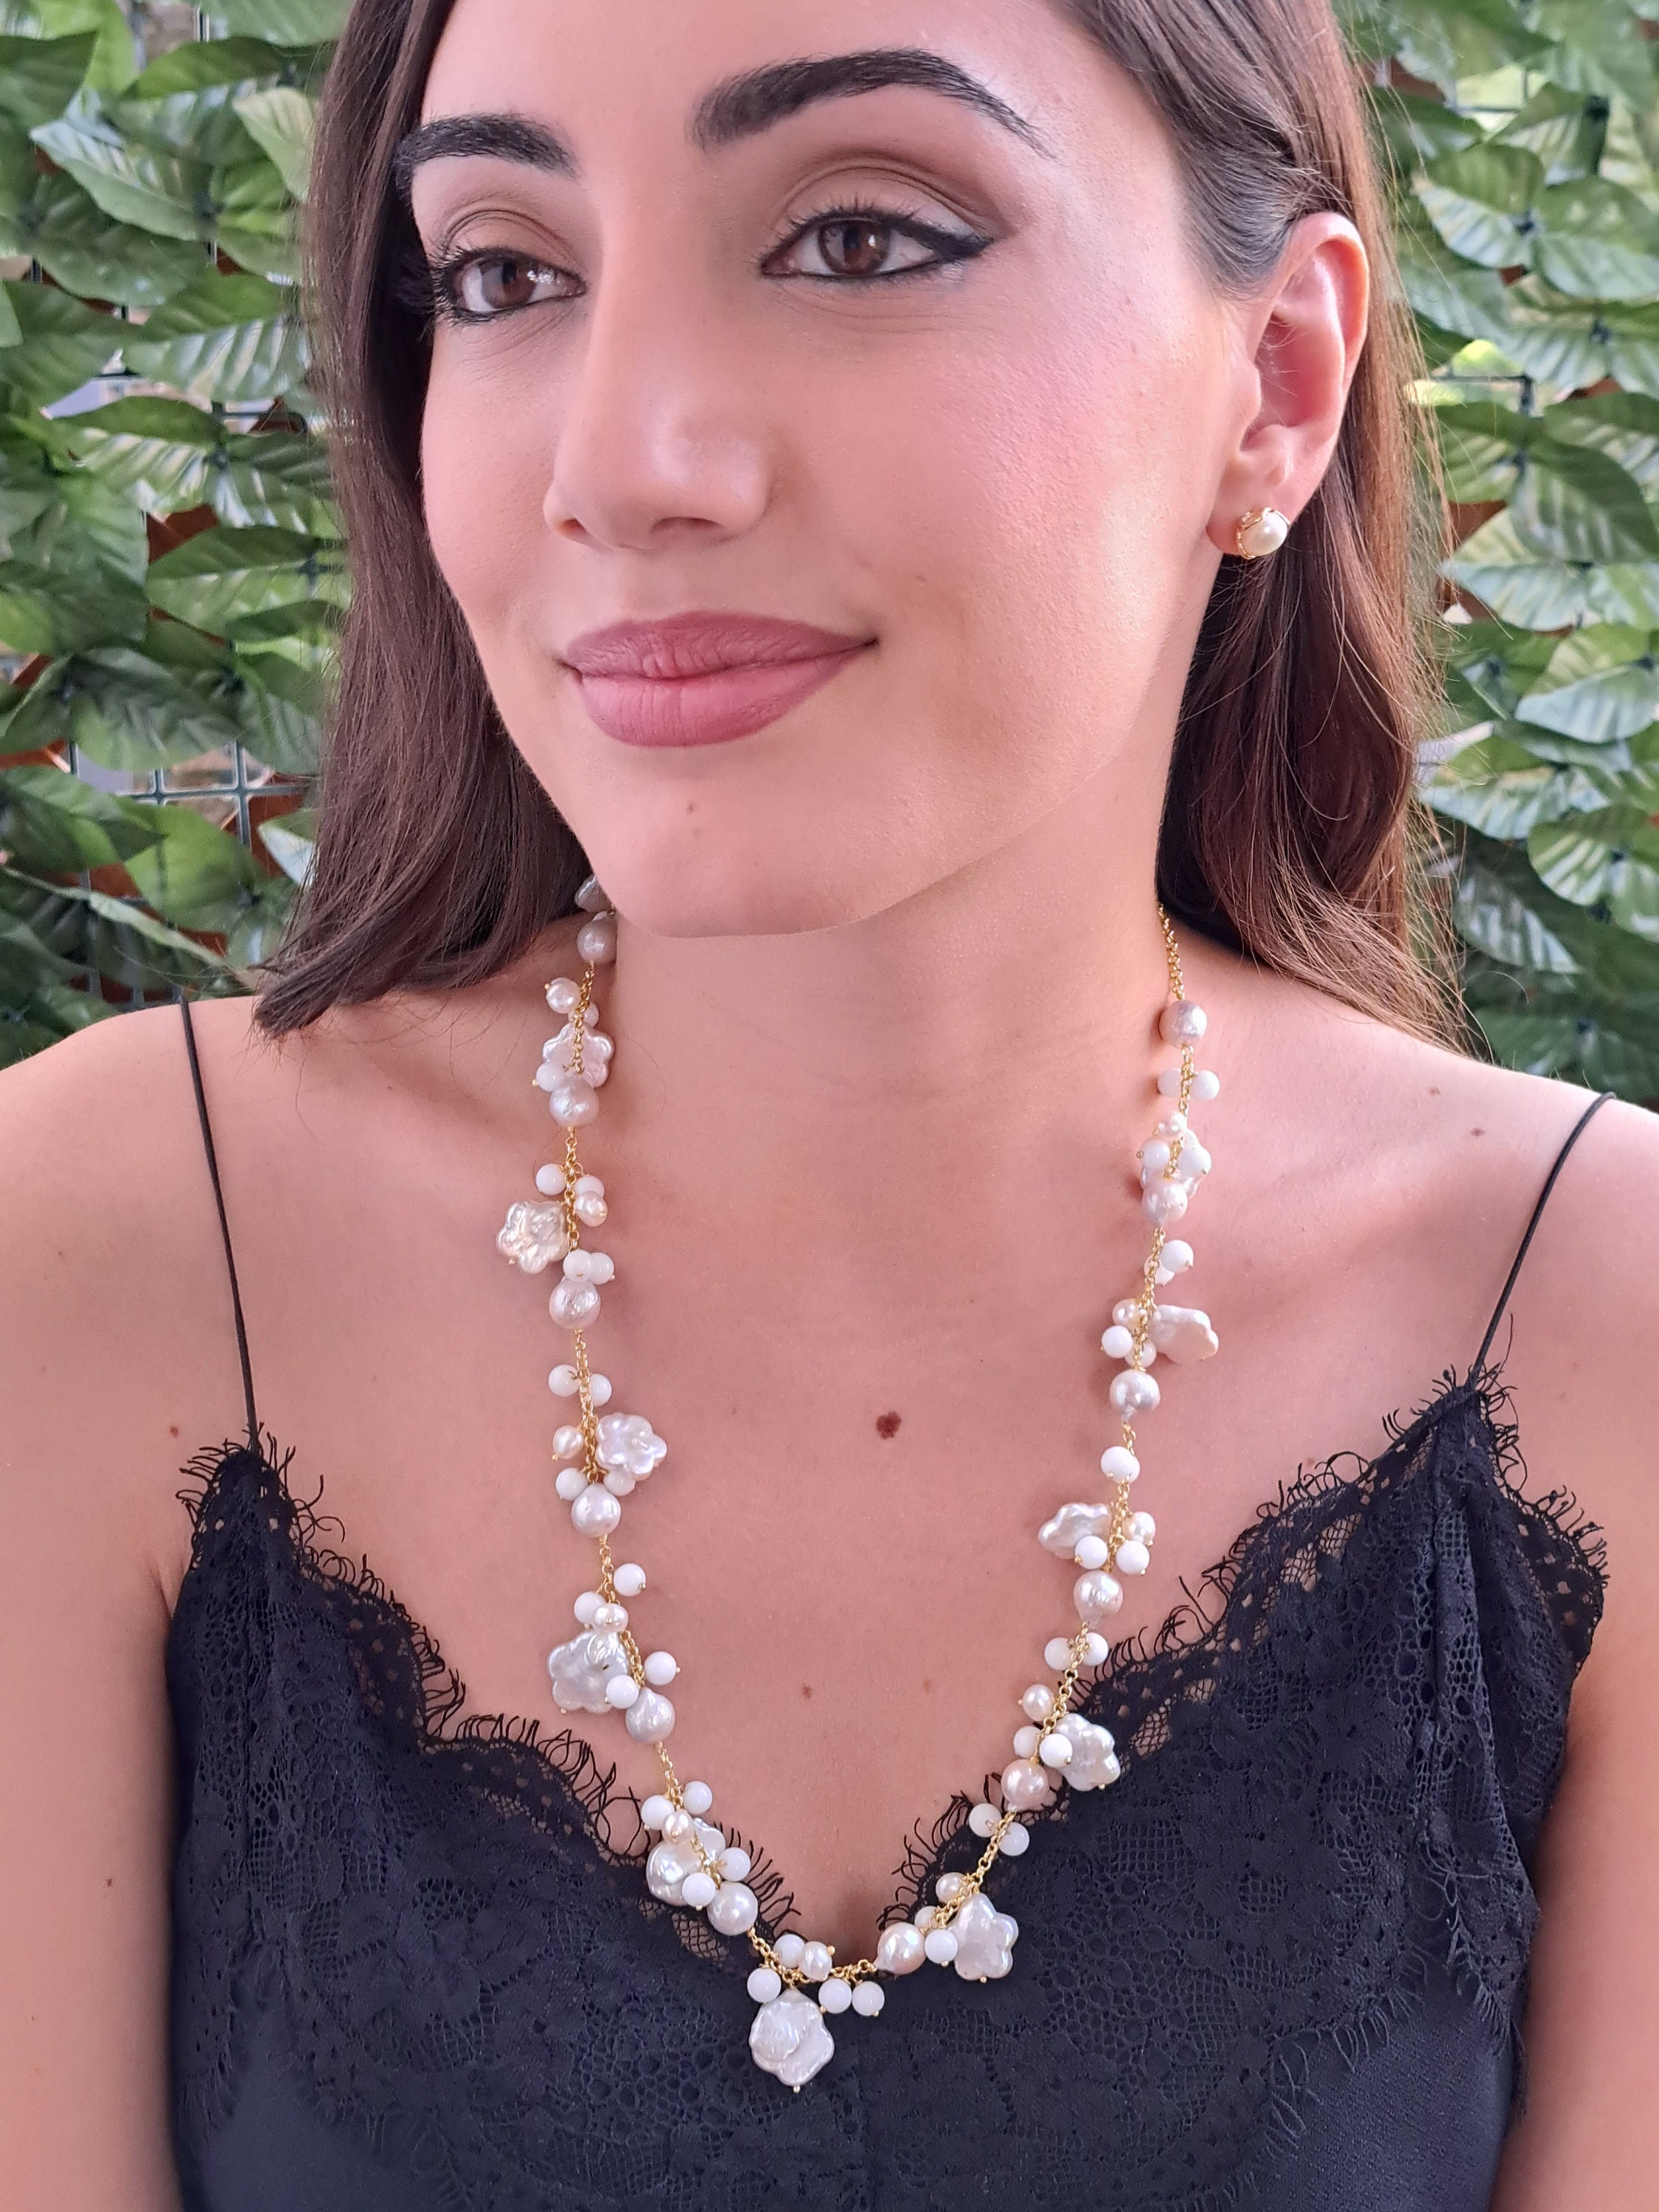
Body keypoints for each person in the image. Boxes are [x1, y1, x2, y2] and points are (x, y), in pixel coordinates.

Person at [2, 0, 1655, 2204]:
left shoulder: (1598, 1327)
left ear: (1271, 384)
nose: (623, 461)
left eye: (861, 238)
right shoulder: (107, 1253)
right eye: (503, 270)